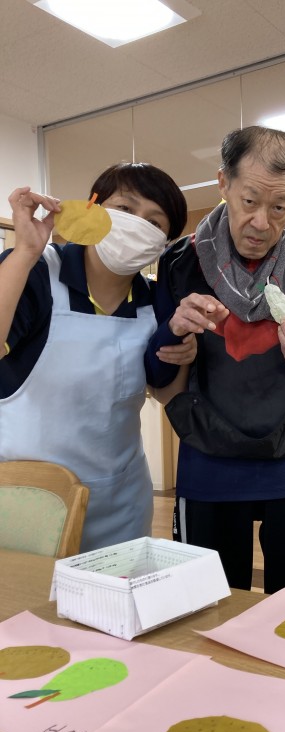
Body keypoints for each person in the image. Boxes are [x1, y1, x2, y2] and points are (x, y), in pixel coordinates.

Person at [145, 126, 285, 594]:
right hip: (208, 460)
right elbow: (156, 374)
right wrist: (173, 333)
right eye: (249, 201)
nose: (261, 223)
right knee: (207, 604)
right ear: (224, 184)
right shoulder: (180, 262)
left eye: (279, 208)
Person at [0, 162, 195, 552]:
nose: (137, 224)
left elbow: (166, 394)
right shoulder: (38, 271)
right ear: (93, 207)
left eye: (154, 222)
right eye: (125, 208)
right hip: (30, 500)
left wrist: (184, 353)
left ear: (163, 242)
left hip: (120, 500)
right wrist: (24, 252)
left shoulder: (152, 300)